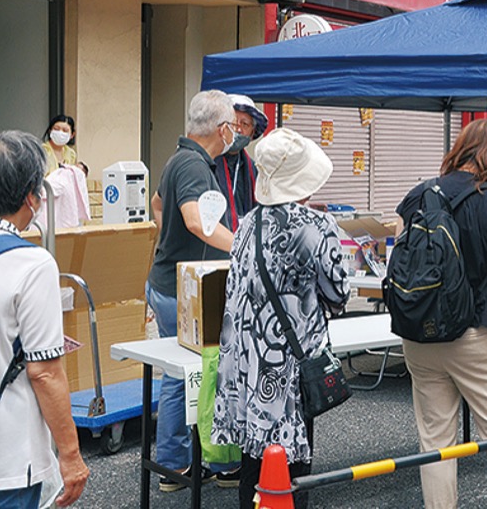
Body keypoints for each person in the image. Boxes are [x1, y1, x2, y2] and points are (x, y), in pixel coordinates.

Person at [395, 119, 487, 509]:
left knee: (435, 442)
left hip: (420, 334)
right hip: (478, 333)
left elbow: (399, 259)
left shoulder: (418, 195)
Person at [211, 128, 347, 509]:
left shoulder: (247, 225)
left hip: (247, 364)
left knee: (254, 463)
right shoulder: (317, 227)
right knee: (292, 467)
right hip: (288, 367)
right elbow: (338, 293)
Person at [145, 90, 239, 490]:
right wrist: (243, 245)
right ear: (223, 129)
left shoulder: (177, 159)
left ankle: (175, 462)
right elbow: (198, 222)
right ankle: (179, 463)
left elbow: (157, 205)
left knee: (179, 373)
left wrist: (172, 242)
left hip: (167, 282)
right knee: (192, 374)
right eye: (234, 125)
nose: (235, 132)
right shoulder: (195, 166)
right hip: (181, 289)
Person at [0, 131, 89, 508]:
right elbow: (45, 371)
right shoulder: (31, 264)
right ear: (32, 197)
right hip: (10, 456)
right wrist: (70, 456)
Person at [213, 95, 268, 233]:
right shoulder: (207, 163)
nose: (238, 130)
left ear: (252, 133)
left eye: (244, 124)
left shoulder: (255, 170)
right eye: (234, 123)